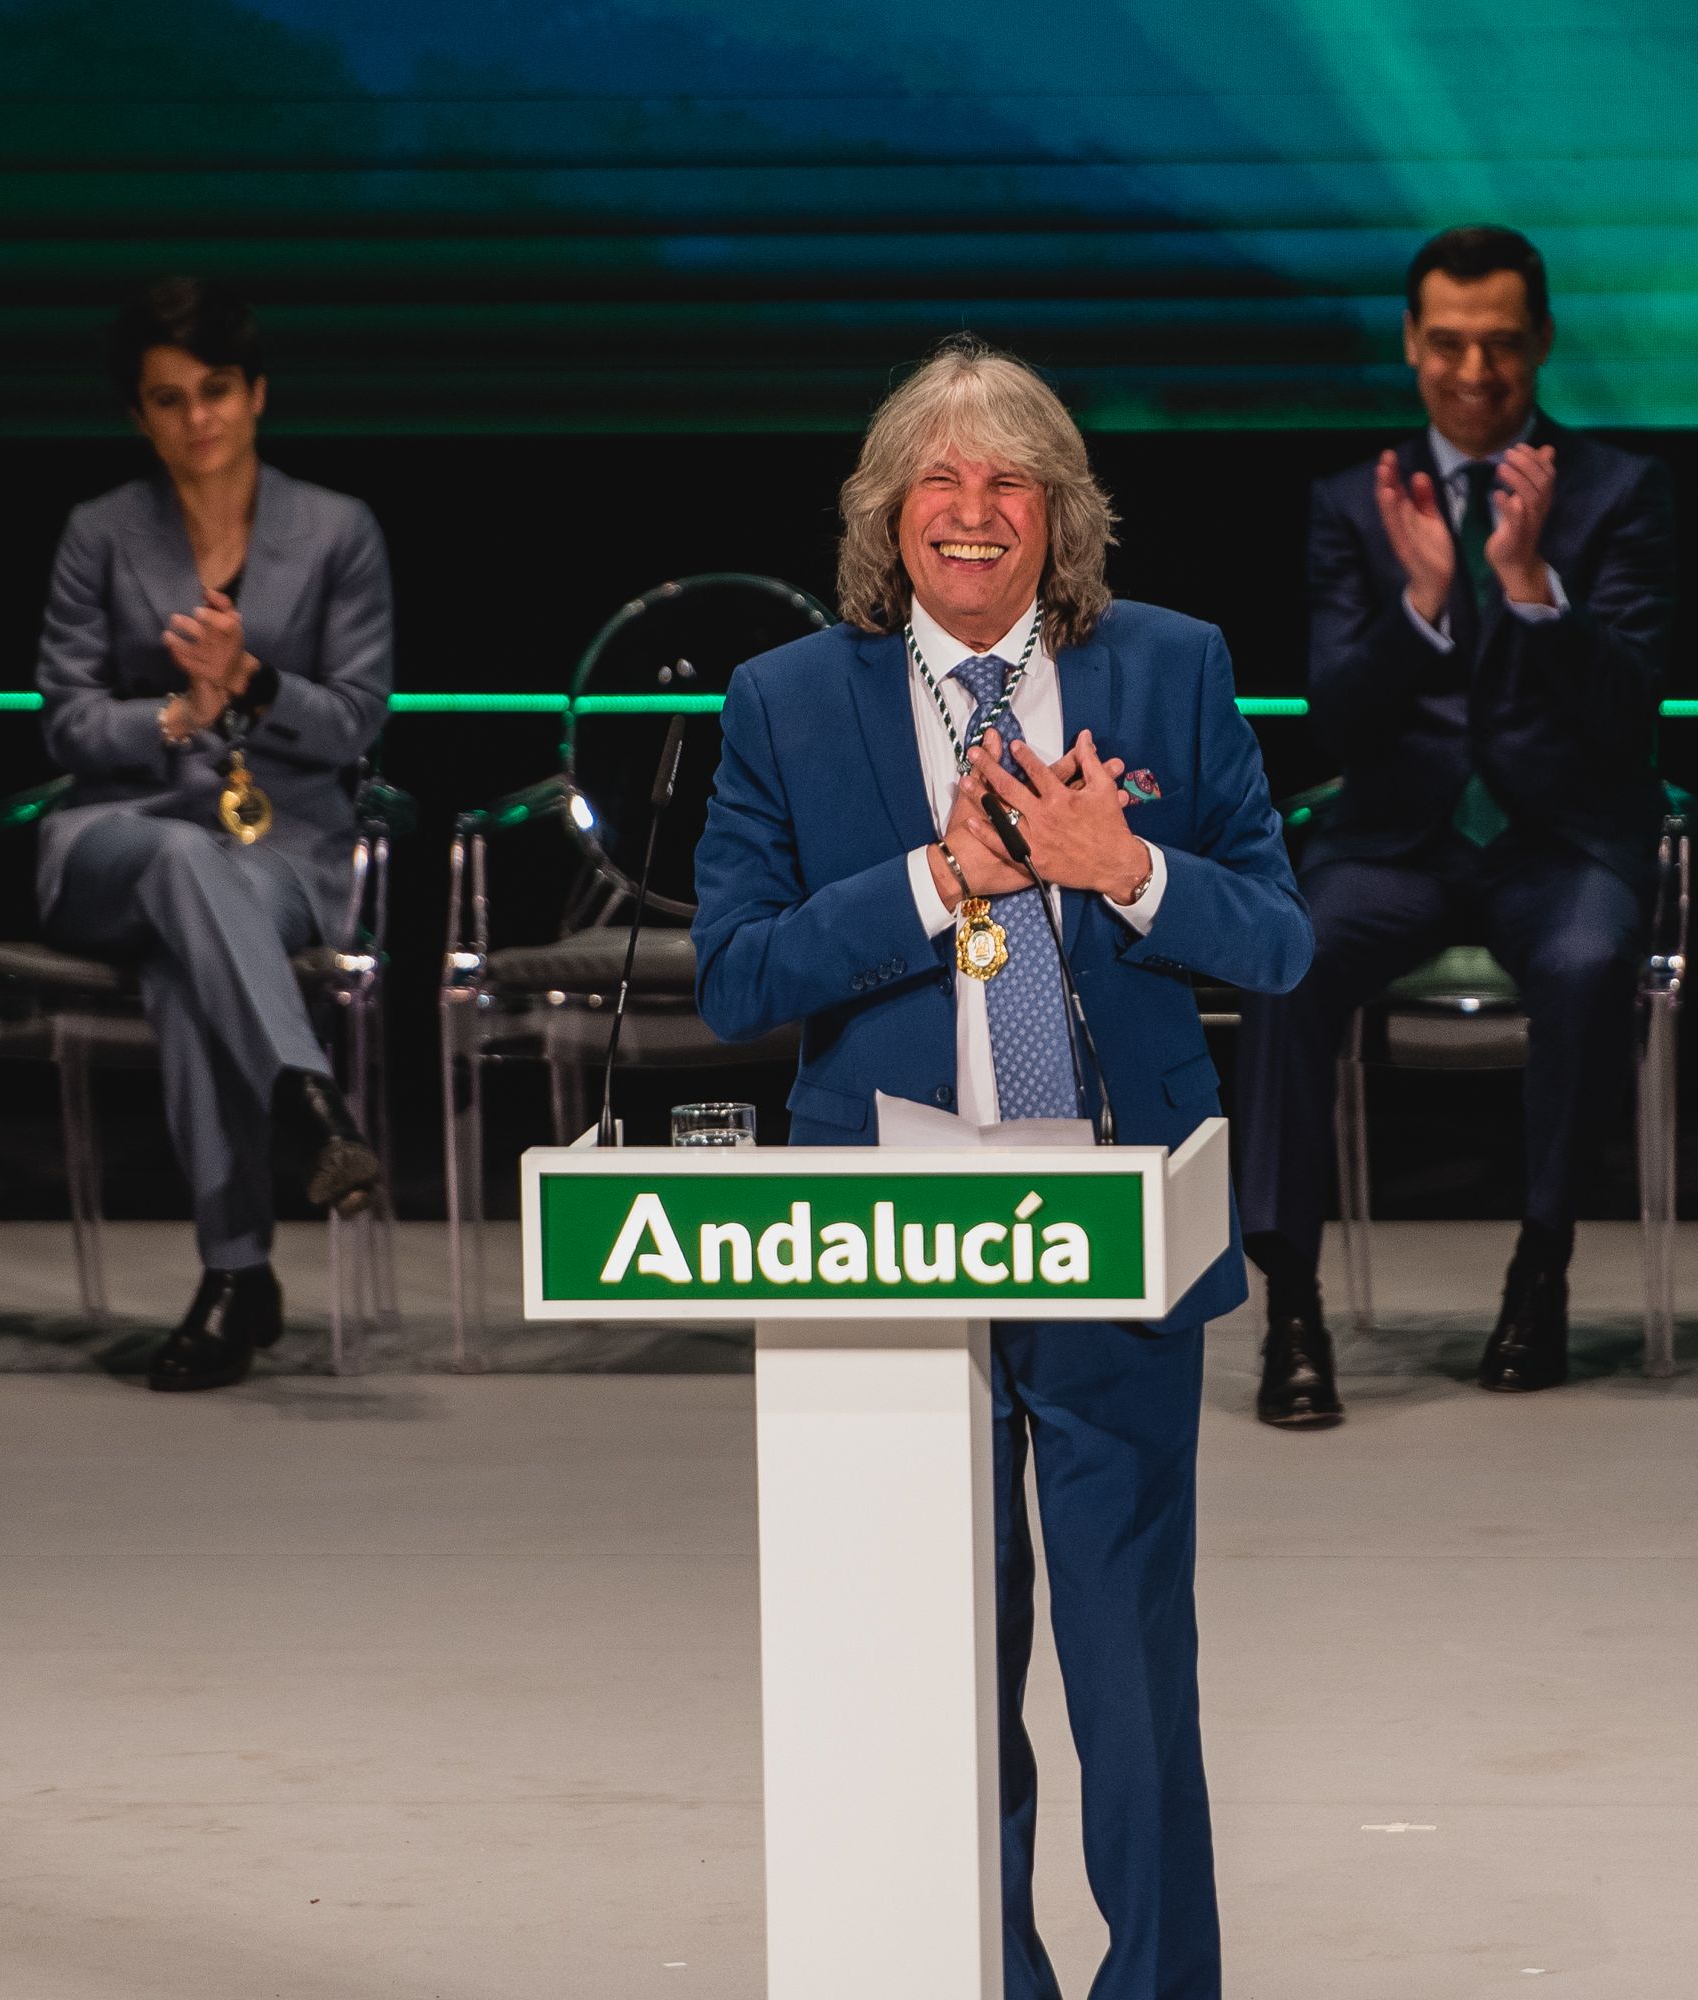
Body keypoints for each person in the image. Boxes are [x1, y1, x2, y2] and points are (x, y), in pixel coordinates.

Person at [692, 335, 1311, 2000]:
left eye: (1009, 480)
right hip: (889, 1231)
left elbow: (1283, 941)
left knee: (1126, 1673)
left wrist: (1132, 875)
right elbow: (736, 976)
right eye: (939, 482)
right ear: (888, 515)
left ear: (1061, 515)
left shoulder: (1173, 668)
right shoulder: (785, 701)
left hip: (1110, 1220)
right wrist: (930, 881)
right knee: (944, 1678)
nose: (973, 512)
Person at [1234, 224, 1677, 1424]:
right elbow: (1337, 710)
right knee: (1286, 959)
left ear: (1540, 341)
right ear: (1411, 343)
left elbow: (1631, 708)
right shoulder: (1353, 502)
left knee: (1589, 966)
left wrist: (1533, 589)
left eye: (1499, 344)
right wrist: (1424, 598)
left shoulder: (1620, 490)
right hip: (1396, 841)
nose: (1474, 372)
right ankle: (1290, 1308)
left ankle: (1542, 1269)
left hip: (1562, 839)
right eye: (1448, 344)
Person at [34, 279, 392, 1392]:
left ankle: (237, 1272)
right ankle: (306, 1094)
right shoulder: (99, 532)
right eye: (169, 399)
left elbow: (355, 718)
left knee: (194, 964)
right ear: (141, 416)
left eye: (217, 392)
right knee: (185, 862)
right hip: (116, 836)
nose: (198, 419)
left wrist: (249, 680)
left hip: (284, 847)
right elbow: (67, 717)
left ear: (257, 394)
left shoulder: (336, 530)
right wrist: (175, 716)